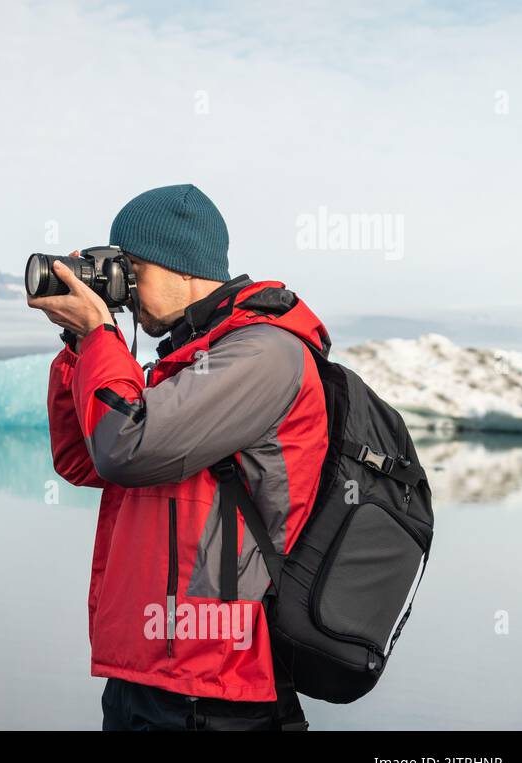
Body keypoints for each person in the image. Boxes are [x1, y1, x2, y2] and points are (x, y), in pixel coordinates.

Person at [29, 184, 330, 731]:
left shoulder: (262, 352)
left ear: (184, 267)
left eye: (133, 268)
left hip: (213, 687)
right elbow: (84, 458)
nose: (124, 286)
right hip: (146, 675)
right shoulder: (193, 358)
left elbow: (127, 447)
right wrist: (79, 346)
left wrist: (100, 333)